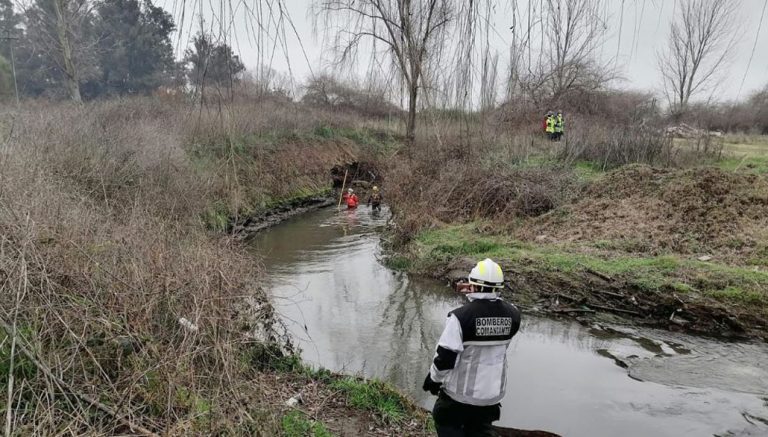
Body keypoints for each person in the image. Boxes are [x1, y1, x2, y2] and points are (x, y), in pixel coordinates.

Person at [423, 258, 521, 437]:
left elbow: (445, 358)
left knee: (443, 420)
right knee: (479, 430)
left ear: (473, 285)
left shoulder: (459, 318)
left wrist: (434, 379)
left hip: (460, 397)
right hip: (491, 398)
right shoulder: (513, 315)